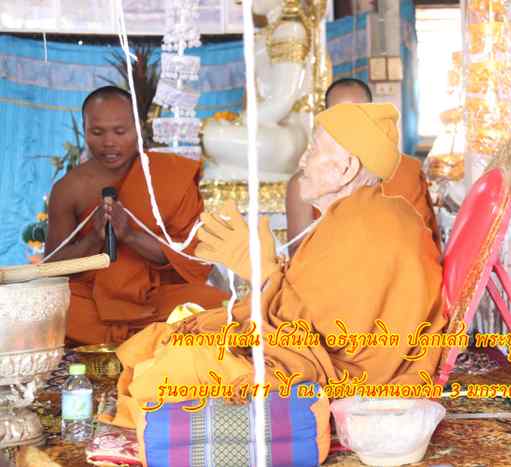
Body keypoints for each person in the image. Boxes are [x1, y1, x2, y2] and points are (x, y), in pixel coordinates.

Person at [108, 103, 447, 456]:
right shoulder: (363, 214)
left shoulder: (362, 224)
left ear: (346, 168)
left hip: (348, 377)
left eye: (312, 149)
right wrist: (267, 275)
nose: (302, 161)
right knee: (175, 339)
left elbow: (316, 337)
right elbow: (315, 307)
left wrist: (264, 273)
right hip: (335, 357)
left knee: (173, 365)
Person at [45, 86, 228, 345]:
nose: (109, 142)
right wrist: (94, 238)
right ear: (84, 129)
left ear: (139, 129)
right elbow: (52, 267)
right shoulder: (69, 188)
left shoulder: (169, 174)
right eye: (97, 132)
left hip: (157, 298)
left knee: (214, 303)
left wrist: (130, 235)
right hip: (93, 301)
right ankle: (152, 341)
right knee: (53, 305)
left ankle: (137, 340)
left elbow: (192, 257)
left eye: (120, 131)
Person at [285, 78, 439, 256]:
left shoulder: (405, 171)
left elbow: (423, 245)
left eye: (358, 116)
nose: (349, 127)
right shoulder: (306, 181)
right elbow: (299, 255)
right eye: (339, 117)